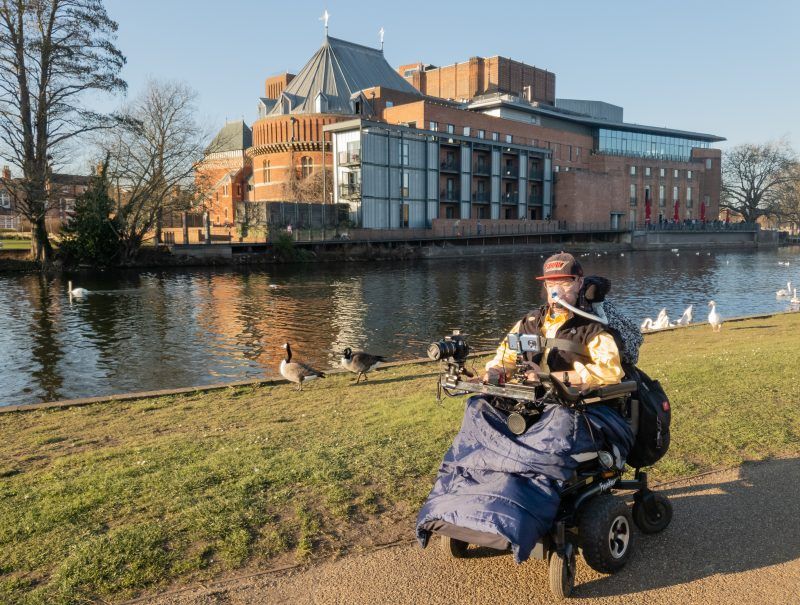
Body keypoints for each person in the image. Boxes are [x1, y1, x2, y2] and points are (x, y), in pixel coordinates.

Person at [483, 251, 623, 389]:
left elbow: (610, 372)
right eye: (551, 284)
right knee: (478, 405)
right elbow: (506, 358)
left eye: (564, 283)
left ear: (579, 283)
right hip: (529, 397)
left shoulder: (591, 327)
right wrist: (497, 371)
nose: (557, 291)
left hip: (568, 400)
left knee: (558, 413)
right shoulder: (529, 322)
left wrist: (550, 378)